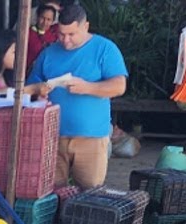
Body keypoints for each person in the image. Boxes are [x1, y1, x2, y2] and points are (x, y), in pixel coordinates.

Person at [27, 3, 128, 188]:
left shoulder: (105, 48)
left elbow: (119, 86)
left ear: (86, 26)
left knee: (89, 191)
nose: (66, 40)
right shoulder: (49, 52)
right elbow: (29, 87)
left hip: (91, 138)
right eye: (61, 34)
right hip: (52, 136)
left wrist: (88, 87)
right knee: (51, 191)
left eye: (71, 34)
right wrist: (38, 91)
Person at [27, 4, 61, 70]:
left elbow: (67, 19)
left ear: (53, 21)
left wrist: (58, 8)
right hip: (31, 72)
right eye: (42, 18)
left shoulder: (54, 30)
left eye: (49, 19)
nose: (45, 22)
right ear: (37, 17)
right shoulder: (28, 33)